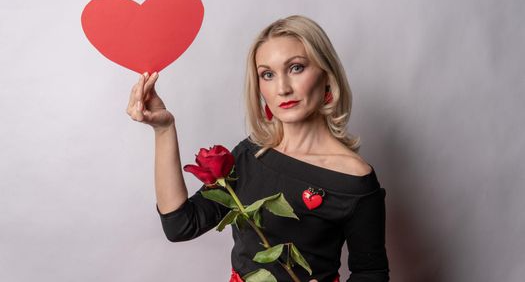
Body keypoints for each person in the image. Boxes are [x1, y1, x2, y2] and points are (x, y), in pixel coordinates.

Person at [126, 15, 390, 281]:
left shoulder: (355, 179)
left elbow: (371, 273)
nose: (283, 88)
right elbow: (180, 226)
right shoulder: (251, 155)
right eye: (268, 74)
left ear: (327, 76)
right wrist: (163, 129)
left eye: (296, 68)